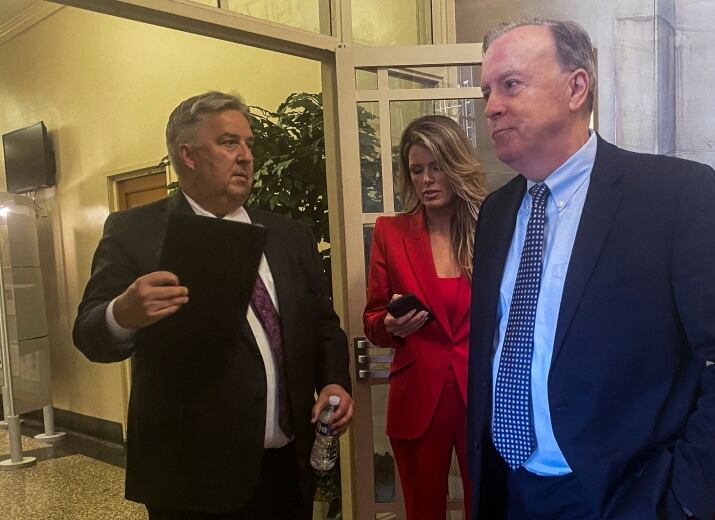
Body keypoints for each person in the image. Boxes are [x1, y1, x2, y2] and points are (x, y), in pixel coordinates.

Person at [468, 18, 715, 520]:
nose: (492, 106)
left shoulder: (673, 195)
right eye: (487, 91)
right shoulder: (497, 212)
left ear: (576, 87)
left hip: (627, 495)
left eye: (511, 84)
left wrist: (685, 497)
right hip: (511, 491)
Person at [73, 91, 353, 519]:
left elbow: (322, 325)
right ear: (187, 154)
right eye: (228, 143)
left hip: (286, 469)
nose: (245, 156)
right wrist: (121, 314)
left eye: (249, 144)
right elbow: (90, 334)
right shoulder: (136, 231)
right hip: (191, 478)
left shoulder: (289, 234)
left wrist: (335, 381)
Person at [363, 115, 486, 519]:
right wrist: (390, 326)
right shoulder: (390, 232)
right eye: (417, 170)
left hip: (481, 394)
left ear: (456, 166)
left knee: (488, 505)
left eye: (437, 167)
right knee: (422, 511)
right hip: (418, 398)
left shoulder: (491, 228)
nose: (427, 179)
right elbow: (373, 319)